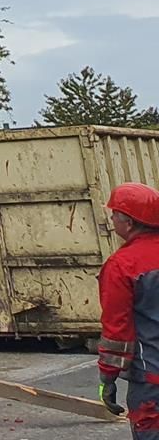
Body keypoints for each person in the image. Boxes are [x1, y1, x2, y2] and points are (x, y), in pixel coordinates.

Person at [100, 181, 159, 436]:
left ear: (130, 223)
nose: (112, 220)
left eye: (114, 215)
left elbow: (117, 330)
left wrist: (108, 377)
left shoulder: (122, 266)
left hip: (152, 380)